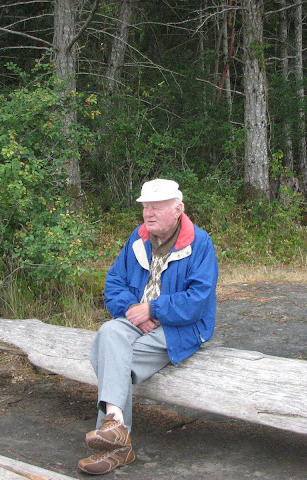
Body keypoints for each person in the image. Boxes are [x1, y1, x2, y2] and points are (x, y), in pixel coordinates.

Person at [78, 178, 219, 475]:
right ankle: (115, 424)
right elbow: (114, 282)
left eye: (157, 207)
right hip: (137, 320)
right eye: (145, 207)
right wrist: (132, 310)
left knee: (109, 359)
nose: (148, 213)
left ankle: (116, 448)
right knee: (109, 332)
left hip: (182, 328)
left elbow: (199, 299)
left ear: (178, 209)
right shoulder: (138, 239)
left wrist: (154, 310)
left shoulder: (199, 242)